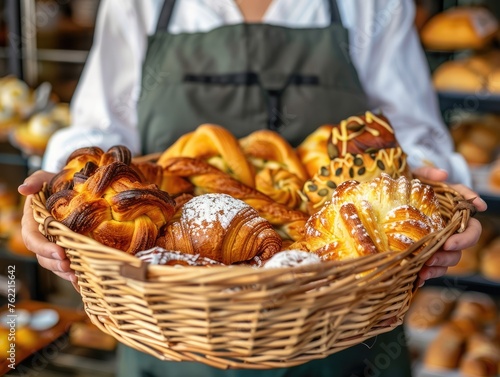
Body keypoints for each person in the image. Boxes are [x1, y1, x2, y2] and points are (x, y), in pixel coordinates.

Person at [19, 0, 486, 376]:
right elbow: (96, 131)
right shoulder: (138, 5)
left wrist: (427, 197)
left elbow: (407, 137)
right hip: (167, 330)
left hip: (345, 323)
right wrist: (58, 189)